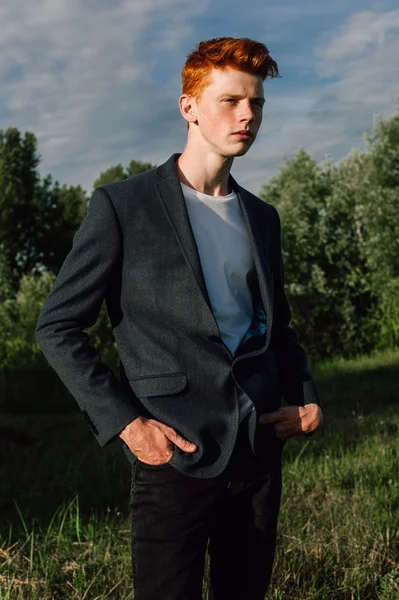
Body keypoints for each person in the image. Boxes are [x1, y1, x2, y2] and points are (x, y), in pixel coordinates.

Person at [36, 37, 323, 600]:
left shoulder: (263, 217)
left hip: (259, 448)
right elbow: (57, 326)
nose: (247, 114)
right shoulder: (123, 206)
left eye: (257, 103)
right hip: (174, 455)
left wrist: (306, 397)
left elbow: (278, 329)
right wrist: (126, 423)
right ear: (188, 107)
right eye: (230, 100)